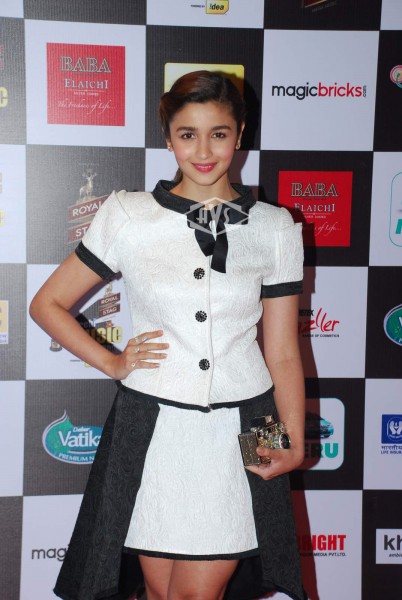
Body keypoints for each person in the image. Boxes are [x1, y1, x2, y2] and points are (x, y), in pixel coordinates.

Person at [30, 70, 306, 600]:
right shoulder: (128, 215)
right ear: (169, 138)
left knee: (198, 594)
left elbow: (282, 352)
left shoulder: (274, 226)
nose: (203, 151)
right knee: (160, 594)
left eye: (218, 134)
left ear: (240, 134)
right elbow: (48, 304)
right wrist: (112, 362)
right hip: (150, 424)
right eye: (187, 134)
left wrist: (289, 438)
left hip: (249, 424)